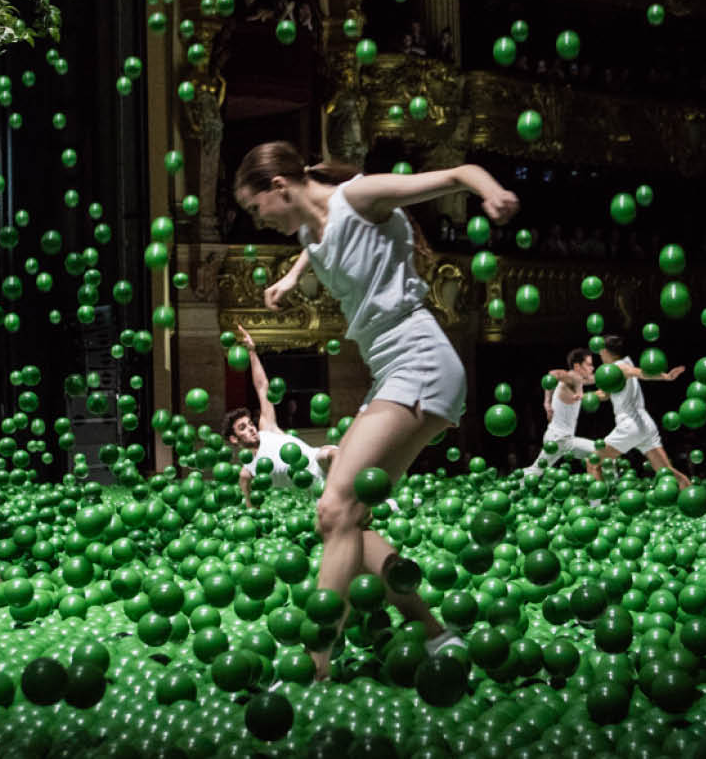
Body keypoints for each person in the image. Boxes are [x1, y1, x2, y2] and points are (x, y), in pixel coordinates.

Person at [235, 140, 519, 678]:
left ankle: (313, 667)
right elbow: (315, 244)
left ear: (279, 187)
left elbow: (457, 172)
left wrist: (493, 192)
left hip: (422, 361)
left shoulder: (360, 195)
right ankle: (436, 635)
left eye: (255, 209)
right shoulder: (306, 231)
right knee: (351, 521)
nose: (256, 221)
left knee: (334, 510)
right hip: (389, 372)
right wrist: (293, 278)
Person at [221, 323, 337, 504]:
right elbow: (252, 506)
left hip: (320, 464)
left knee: (328, 453)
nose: (251, 428)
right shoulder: (248, 471)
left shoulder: (267, 429)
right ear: (234, 439)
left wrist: (251, 351)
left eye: (250, 423)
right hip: (316, 492)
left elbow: (262, 387)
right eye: (243, 428)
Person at [585, 336, 690, 488]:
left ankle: (596, 507)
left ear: (605, 351)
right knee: (667, 472)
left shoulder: (620, 367)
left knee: (593, 462)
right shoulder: (618, 368)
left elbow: (640, 373)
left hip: (630, 424)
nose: (599, 356)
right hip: (645, 424)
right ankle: (693, 499)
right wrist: (582, 396)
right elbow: (605, 394)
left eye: (600, 352)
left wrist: (665, 377)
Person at [523, 348, 599, 476]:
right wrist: (546, 402)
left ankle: (600, 488)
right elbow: (553, 374)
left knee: (598, 452)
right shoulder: (572, 377)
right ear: (577, 366)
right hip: (558, 439)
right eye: (589, 364)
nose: (593, 368)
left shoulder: (578, 380)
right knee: (601, 452)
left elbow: (596, 378)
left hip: (563, 439)